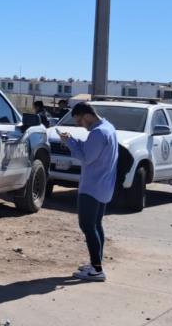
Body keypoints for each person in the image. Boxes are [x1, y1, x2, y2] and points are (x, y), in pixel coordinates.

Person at [56, 102, 118, 282]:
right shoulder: (108, 128)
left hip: (92, 186)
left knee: (87, 226)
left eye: (79, 121)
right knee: (96, 225)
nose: (79, 125)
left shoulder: (98, 132)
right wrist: (75, 141)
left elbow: (86, 157)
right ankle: (95, 264)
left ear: (87, 115)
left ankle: (97, 269)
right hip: (103, 185)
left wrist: (69, 143)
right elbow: (93, 151)